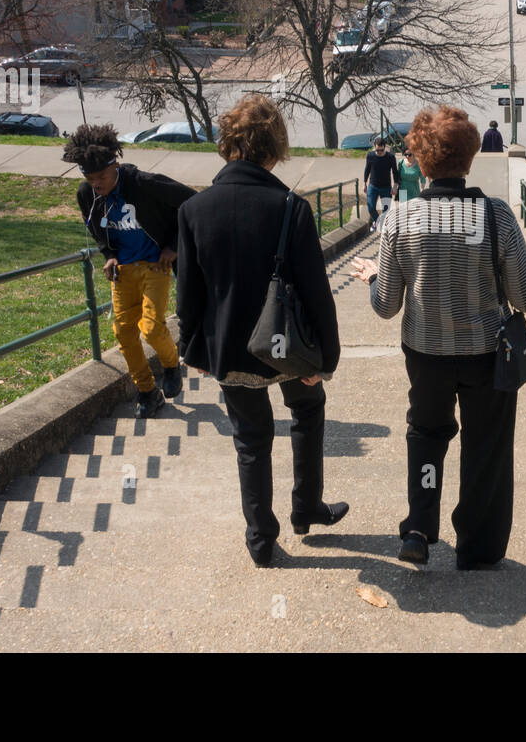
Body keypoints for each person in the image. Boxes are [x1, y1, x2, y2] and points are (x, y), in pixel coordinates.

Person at [350, 105, 526, 570]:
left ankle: (420, 529)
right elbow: (523, 298)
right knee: (486, 447)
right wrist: (524, 282)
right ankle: (478, 549)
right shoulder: (496, 216)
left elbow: (386, 307)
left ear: (420, 162)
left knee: (426, 434)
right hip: (488, 357)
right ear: (470, 157)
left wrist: (373, 277)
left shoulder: (399, 221)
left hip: (426, 354)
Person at [175, 94, 345, 568]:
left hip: (229, 346)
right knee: (307, 413)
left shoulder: (193, 210)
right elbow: (316, 292)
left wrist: (193, 347)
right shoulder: (291, 207)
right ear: (275, 147)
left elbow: (188, 292)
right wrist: (326, 359)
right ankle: (306, 507)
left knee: (250, 440)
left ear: (228, 144)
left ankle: (260, 539)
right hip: (287, 343)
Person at [64, 124, 195, 418]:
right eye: (90, 178)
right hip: (122, 271)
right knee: (123, 333)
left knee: (150, 327)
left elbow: (191, 201)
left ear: (116, 167)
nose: (96, 184)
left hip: (155, 265)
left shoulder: (143, 183)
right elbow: (96, 229)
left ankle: (172, 364)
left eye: (101, 177)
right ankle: (147, 392)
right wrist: (109, 254)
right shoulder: (86, 194)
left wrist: (173, 246)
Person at [364, 137, 397, 230]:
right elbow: (367, 170)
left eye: (381, 150)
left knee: (386, 210)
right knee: (370, 207)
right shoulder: (370, 156)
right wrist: (364, 183)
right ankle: (377, 221)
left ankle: (382, 227)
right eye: (377, 150)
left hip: (386, 187)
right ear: (374, 147)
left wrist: (395, 186)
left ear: (385, 148)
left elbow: (395, 172)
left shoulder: (390, 157)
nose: (379, 152)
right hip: (373, 186)